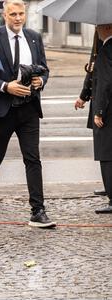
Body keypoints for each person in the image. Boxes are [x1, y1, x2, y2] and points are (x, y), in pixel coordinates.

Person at [0, 0, 55, 227]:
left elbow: (44, 69)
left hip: (29, 108)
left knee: (32, 159)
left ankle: (38, 210)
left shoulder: (34, 38)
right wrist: (5, 86)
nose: (18, 18)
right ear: (4, 15)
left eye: (21, 14)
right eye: (13, 14)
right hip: (2, 110)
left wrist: (41, 80)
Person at [74, 33, 106, 197]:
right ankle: (108, 185)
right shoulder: (100, 36)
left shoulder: (104, 39)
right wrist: (84, 95)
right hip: (100, 97)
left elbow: (100, 74)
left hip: (104, 100)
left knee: (106, 149)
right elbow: (93, 69)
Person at [91, 23, 112, 214]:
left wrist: (98, 111)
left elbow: (105, 83)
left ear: (106, 28)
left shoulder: (106, 50)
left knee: (106, 154)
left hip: (108, 109)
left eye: (98, 26)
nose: (96, 29)